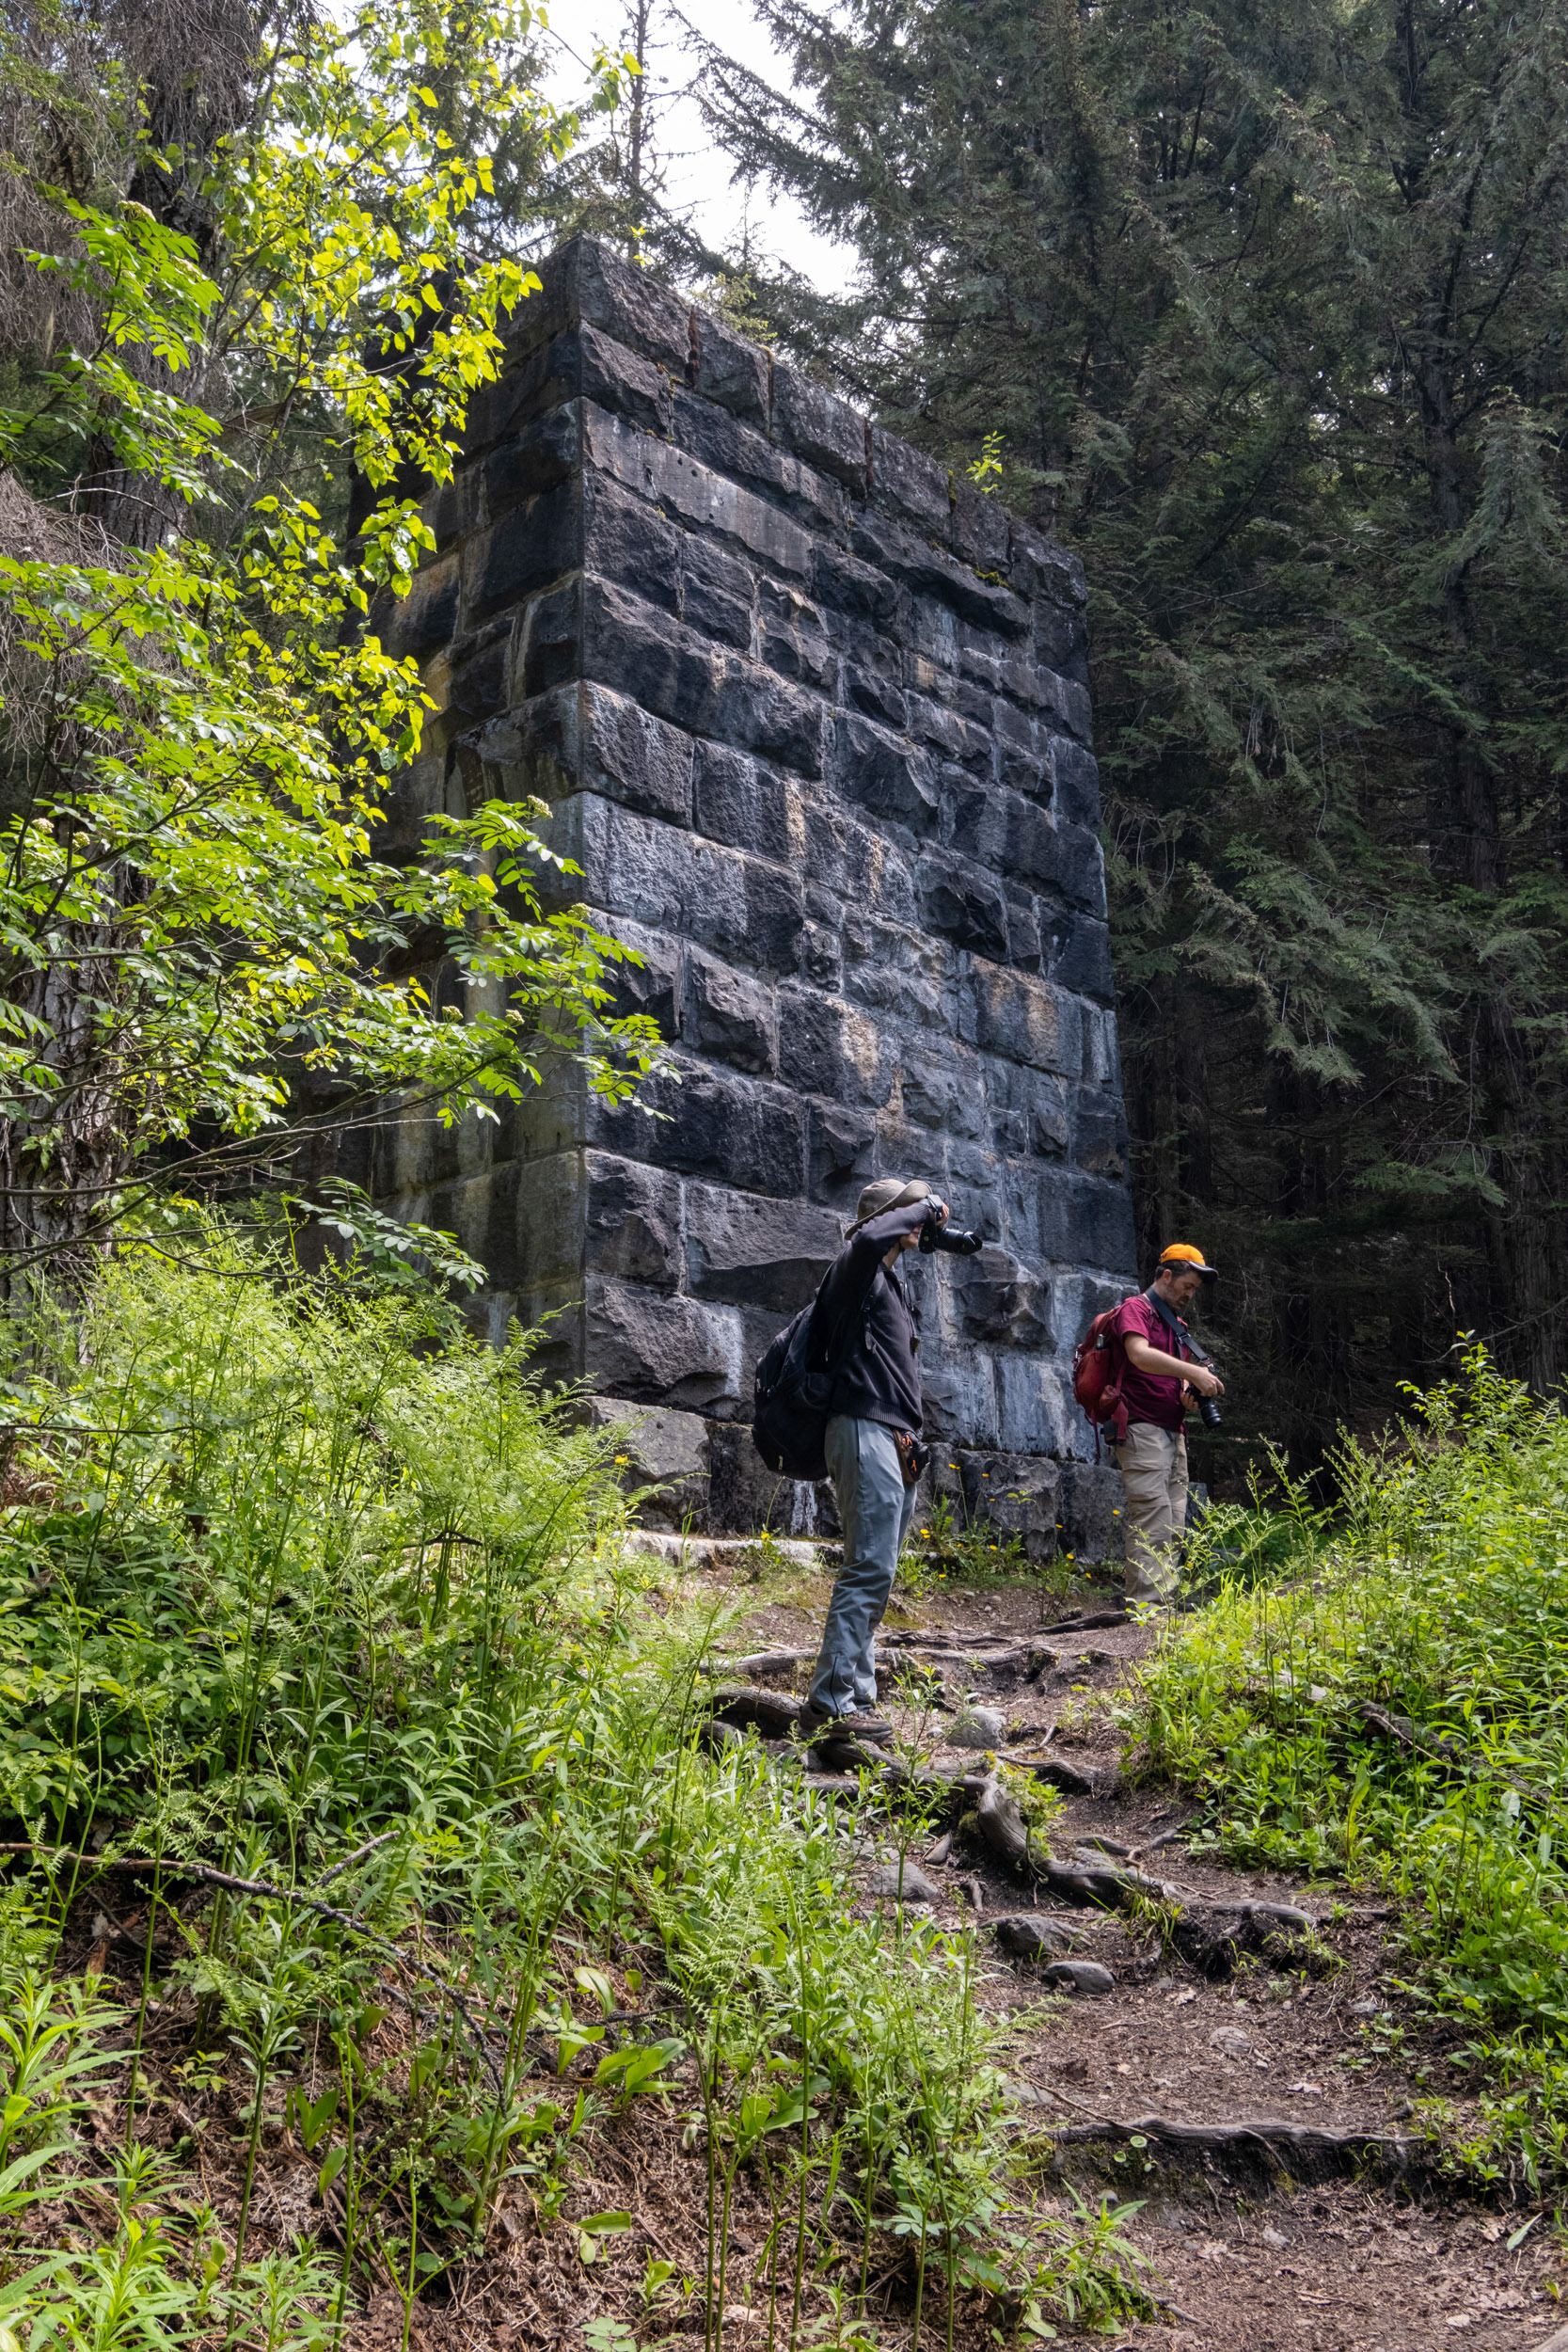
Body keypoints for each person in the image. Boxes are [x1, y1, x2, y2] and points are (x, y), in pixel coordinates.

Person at [797, 1176, 948, 1747]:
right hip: (861, 1428)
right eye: (911, 1212)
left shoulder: (888, 1284)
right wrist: (923, 1208)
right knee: (867, 1567)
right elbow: (863, 1241)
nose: (923, 1221)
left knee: (877, 1570)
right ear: (890, 1217)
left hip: (892, 1437)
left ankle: (855, 1695)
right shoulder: (853, 1268)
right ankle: (829, 1707)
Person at [1109, 1243, 1225, 1608]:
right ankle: (1146, 1610)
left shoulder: (1177, 1328)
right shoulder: (1136, 1309)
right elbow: (1139, 1355)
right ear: (1167, 1275)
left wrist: (1188, 1396)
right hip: (1141, 1428)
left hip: (1174, 1432)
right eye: (1186, 1286)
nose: (1190, 1295)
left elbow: (1169, 1380)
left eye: (1194, 1290)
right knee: (1152, 1518)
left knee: (1173, 1523)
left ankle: (1164, 1600)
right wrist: (1193, 1371)